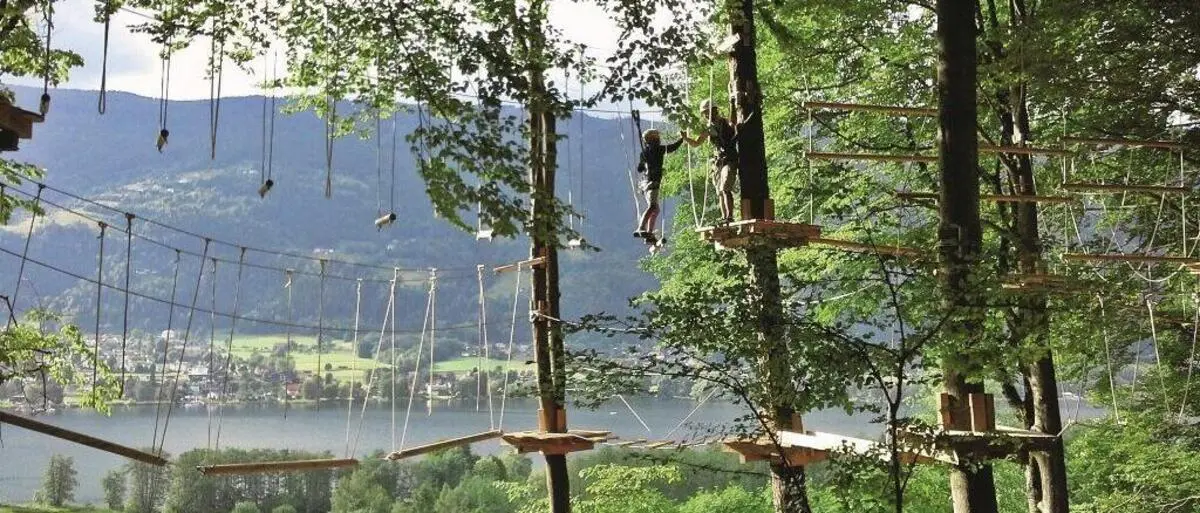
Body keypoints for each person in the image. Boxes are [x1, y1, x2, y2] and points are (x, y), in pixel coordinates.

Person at [683, 99, 738, 224]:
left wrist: (732, 105)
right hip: (718, 161)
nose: (708, 115)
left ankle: (729, 216)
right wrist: (686, 138)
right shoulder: (708, 128)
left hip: (729, 158)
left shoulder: (725, 122)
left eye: (709, 112)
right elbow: (697, 143)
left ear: (715, 110)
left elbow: (733, 122)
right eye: (705, 113)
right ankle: (725, 217)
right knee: (720, 191)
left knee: (725, 187)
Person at [634, 128, 685, 239]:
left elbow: (640, 168)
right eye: (657, 137)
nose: (659, 139)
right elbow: (672, 147)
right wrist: (682, 139)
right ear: (653, 139)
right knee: (652, 207)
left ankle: (649, 233)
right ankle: (641, 227)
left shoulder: (644, 152)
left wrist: (646, 161)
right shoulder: (658, 149)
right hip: (653, 182)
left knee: (655, 209)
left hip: (645, 184)